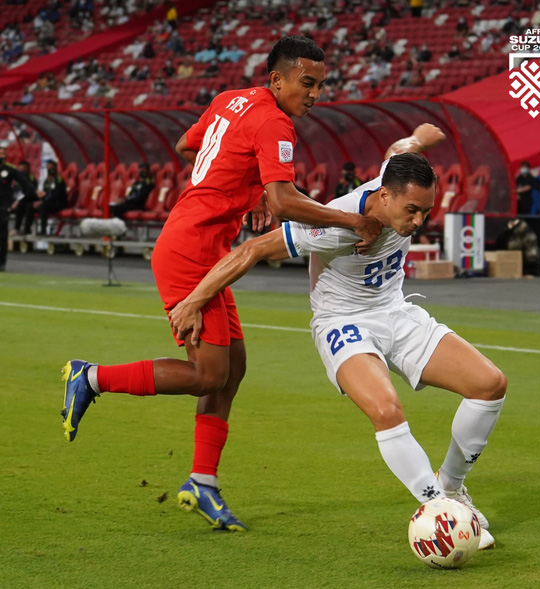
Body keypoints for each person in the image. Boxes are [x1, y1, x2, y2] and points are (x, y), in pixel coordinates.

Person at [60, 36, 382, 533]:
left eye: (321, 84)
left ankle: (202, 482)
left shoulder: (230, 99)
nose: (315, 94)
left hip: (203, 247)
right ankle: (92, 377)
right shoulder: (275, 121)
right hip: (191, 250)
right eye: (307, 83)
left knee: (233, 368)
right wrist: (350, 220)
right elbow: (284, 203)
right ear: (277, 79)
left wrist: (242, 185)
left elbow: (188, 144)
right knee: (208, 375)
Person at [164, 140, 505, 552]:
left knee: (490, 384)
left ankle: (451, 489)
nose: (417, 221)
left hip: (395, 312)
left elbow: (404, 146)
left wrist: (423, 137)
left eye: (425, 212)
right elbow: (252, 249)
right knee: (386, 408)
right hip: (343, 323)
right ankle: (439, 511)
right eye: (410, 211)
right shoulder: (336, 224)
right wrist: (194, 301)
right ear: (384, 194)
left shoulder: (395, 177)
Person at [0, 147, 33, 270]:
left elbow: (25, 185)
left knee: (2, 235)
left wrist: (18, 200)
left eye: (2, 153)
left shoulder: (10, 170)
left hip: (3, 205)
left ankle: (1, 263)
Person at [23, 159, 68, 235]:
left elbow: (56, 195)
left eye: (52, 167)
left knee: (42, 206)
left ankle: (43, 230)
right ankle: (27, 230)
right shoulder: (47, 181)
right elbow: (45, 194)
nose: (50, 169)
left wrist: (43, 202)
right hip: (48, 203)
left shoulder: (59, 180)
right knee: (30, 206)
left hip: (58, 203)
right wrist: (39, 201)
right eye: (48, 168)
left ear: (55, 168)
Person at [10, 160, 38, 234]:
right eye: (20, 168)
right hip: (17, 200)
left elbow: (30, 192)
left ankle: (25, 230)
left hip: (28, 199)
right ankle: (16, 228)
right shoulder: (15, 178)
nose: (21, 170)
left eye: (23, 168)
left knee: (25, 206)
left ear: (27, 168)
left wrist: (18, 201)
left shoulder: (31, 178)